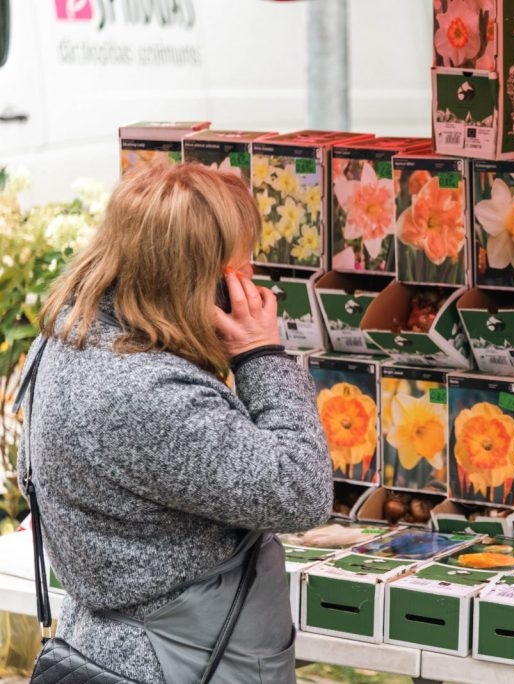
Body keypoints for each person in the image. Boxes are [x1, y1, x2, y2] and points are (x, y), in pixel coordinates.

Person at [17, 162, 333, 683]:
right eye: (238, 268)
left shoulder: (64, 342)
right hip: (182, 662)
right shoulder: (149, 393)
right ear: (196, 279)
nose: (249, 281)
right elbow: (300, 491)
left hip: (104, 645)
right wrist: (260, 354)